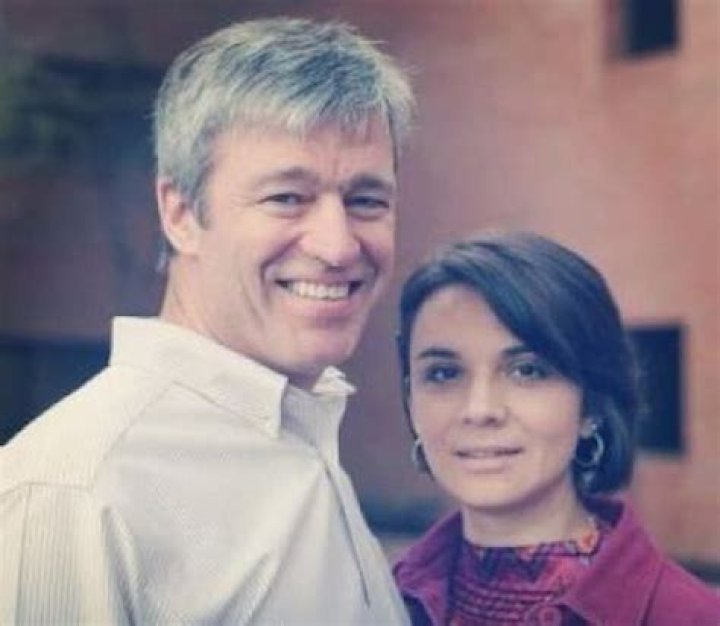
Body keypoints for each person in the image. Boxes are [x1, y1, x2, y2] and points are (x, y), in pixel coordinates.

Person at [0, 18, 414, 624]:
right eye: (286, 198)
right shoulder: (77, 491)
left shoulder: (304, 428)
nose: (338, 245)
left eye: (366, 200)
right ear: (180, 214)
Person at [393, 231, 720, 625]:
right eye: (444, 373)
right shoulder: (374, 602)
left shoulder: (691, 617)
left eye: (527, 371)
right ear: (411, 400)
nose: (479, 410)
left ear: (592, 404)